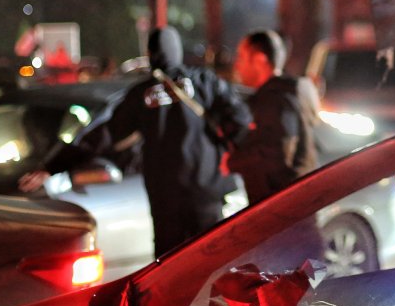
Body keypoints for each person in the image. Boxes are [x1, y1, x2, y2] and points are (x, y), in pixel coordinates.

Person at [21, 26, 252, 258]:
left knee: (168, 270)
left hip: (165, 198)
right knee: (210, 260)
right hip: (206, 193)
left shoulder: (140, 96)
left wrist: (53, 166)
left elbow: (104, 135)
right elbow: (241, 122)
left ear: (150, 55)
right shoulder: (205, 82)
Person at [228, 29, 319, 205]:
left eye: (241, 57)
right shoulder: (285, 93)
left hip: (283, 207)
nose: (237, 66)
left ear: (260, 60)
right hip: (292, 203)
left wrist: (232, 162)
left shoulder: (275, 99)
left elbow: (274, 152)